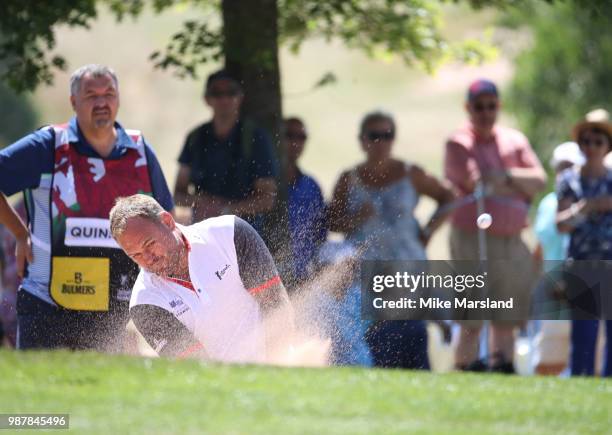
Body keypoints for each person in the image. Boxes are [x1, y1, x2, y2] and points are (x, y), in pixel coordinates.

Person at [0, 64, 174, 351]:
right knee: (44, 394)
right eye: (91, 95)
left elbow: (165, 220)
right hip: (46, 305)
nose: (102, 102)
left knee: (98, 393)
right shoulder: (48, 146)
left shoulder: (139, 150)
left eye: (109, 93)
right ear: (73, 102)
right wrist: (19, 234)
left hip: (113, 312)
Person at [328, 110, 454, 369]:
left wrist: (428, 231)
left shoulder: (411, 174)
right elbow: (332, 222)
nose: (381, 142)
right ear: (362, 140)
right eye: (374, 136)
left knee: (412, 332)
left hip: (408, 268)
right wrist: (356, 219)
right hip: (367, 275)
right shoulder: (348, 179)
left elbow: (448, 198)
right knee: (377, 337)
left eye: (387, 135)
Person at [109, 194, 294, 363]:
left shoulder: (230, 232)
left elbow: (276, 307)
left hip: (273, 368)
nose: (148, 258)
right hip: (221, 391)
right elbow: (194, 366)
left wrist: (276, 370)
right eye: (136, 255)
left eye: (149, 244)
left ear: (167, 222)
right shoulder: (143, 302)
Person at [444, 79, 546, 373]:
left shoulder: (514, 139)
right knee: (472, 316)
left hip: (512, 239)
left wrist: (501, 175)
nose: (486, 113)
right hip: (471, 239)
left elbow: (538, 180)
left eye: (491, 106)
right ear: (468, 108)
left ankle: (504, 367)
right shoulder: (458, 142)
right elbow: (474, 181)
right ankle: (464, 368)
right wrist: (515, 182)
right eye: (479, 107)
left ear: (498, 106)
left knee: (507, 315)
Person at [174, 69, 277, 231]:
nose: (224, 99)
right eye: (217, 93)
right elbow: (178, 195)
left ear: (240, 97)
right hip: (203, 231)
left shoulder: (256, 138)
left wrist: (226, 210)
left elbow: (267, 199)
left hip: (245, 233)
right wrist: (202, 202)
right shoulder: (195, 138)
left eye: (231, 92)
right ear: (207, 99)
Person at [556, 108, 612, 377]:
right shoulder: (568, 180)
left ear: (607, 146)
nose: (591, 147)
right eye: (586, 141)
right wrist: (587, 208)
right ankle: (582, 381)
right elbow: (562, 223)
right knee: (584, 337)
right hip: (582, 264)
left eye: (598, 142)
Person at [531, 142, 584, 375]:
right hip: (550, 287)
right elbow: (541, 245)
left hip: (576, 286)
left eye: (571, 167)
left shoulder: (582, 204)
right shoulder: (547, 203)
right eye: (561, 167)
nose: (565, 173)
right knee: (548, 358)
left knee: (583, 352)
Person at [283, 117, 327, 284]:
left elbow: (320, 235)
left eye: (301, 137)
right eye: (289, 135)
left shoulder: (311, 186)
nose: (295, 142)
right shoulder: (264, 184)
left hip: (303, 277)